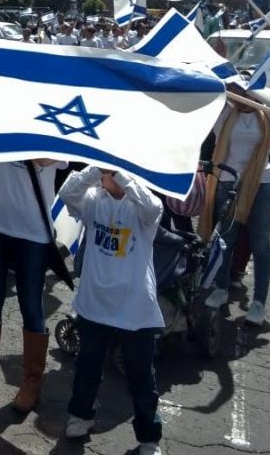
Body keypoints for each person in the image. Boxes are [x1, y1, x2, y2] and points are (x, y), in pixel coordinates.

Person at [59, 166, 163, 455]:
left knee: (141, 374)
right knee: (87, 365)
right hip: (95, 303)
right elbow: (67, 192)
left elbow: (153, 209)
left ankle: (148, 436)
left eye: (117, 171)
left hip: (134, 307)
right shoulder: (93, 200)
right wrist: (96, 168)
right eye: (108, 173)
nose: (111, 177)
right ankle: (81, 416)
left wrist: (123, 176)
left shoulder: (141, 204)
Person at [0, 158, 66, 413]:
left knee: (31, 305)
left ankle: (32, 382)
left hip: (33, 229)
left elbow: (48, 159)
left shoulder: (55, 122)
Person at [203, 92, 270, 325]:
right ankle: (221, 288)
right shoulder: (224, 112)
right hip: (227, 181)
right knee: (226, 239)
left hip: (261, 184)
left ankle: (258, 303)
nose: (242, 97)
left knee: (260, 245)